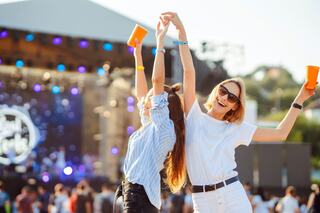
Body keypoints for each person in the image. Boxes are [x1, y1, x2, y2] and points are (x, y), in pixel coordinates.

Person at [161, 11, 317, 213]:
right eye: (223, 91)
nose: (224, 98)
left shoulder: (235, 128)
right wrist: (181, 32)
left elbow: (280, 134)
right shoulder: (194, 117)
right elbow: (189, 73)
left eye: (232, 97)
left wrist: (299, 99)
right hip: (202, 199)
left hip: (232, 196)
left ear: (235, 106)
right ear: (216, 91)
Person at [116, 17, 186, 212]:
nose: (145, 101)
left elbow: (156, 81)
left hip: (140, 197)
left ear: (162, 105)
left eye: (151, 99)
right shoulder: (151, 125)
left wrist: (160, 43)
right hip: (134, 195)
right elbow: (140, 92)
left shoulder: (164, 127)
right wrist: (137, 55)